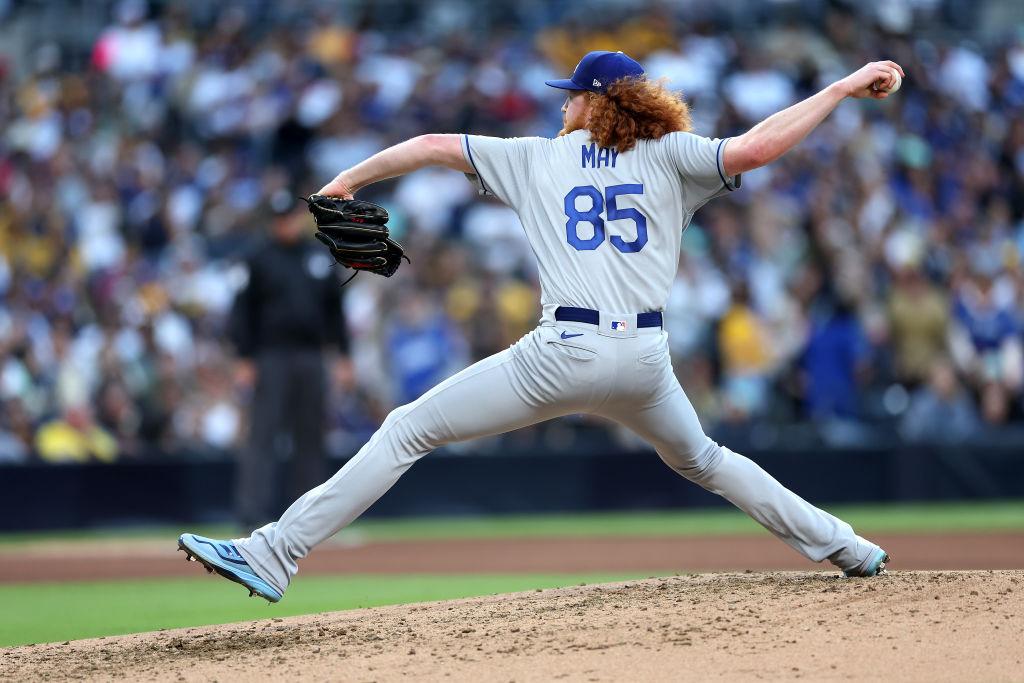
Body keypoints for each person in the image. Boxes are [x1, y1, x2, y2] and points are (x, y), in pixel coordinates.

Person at [180, 50, 903, 601]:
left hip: (565, 350)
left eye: (571, 98)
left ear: (596, 101)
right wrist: (839, 89)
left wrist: (349, 182)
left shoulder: (536, 158)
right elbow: (756, 148)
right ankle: (846, 545)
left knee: (407, 428)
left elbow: (432, 144)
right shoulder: (675, 155)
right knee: (707, 460)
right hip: (646, 358)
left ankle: (276, 551)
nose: (563, 109)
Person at [227, 189, 349, 529]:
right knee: (263, 435)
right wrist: (244, 358)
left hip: (312, 356)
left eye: (290, 217)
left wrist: (343, 356)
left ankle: (309, 518)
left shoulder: (318, 257)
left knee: (310, 435)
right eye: (279, 219)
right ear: (272, 222)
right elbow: (242, 313)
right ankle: (251, 515)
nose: (285, 224)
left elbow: (335, 312)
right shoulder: (256, 259)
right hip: (271, 356)